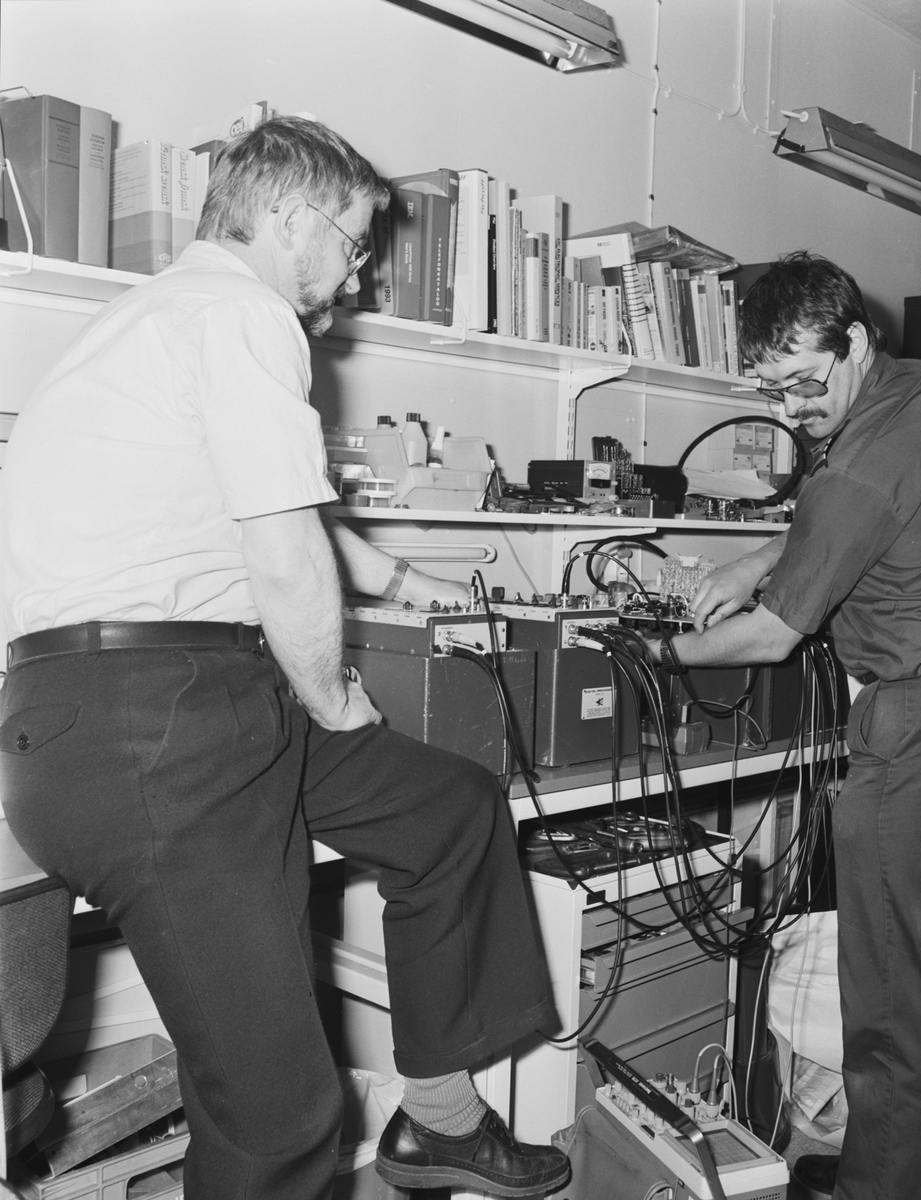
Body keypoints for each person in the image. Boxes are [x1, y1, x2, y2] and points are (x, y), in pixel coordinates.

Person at [0, 116, 569, 1200]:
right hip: (161, 727)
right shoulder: (243, 312)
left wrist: (409, 586)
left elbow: (270, 508)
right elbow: (282, 551)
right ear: (289, 216)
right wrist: (335, 694)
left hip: (139, 710)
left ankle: (440, 1121)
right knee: (284, 1114)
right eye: (352, 244)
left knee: (450, 812)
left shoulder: (153, 319)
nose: (357, 276)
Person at [647, 252, 921, 1200]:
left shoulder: (856, 458)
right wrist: (748, 566)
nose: (791, 407)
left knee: (893, 1014)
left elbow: (773, 637)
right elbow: (860, 517)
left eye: (804, 382)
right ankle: (894, 1171)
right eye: (771, 388)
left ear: (856, 341)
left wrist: (656, 654)